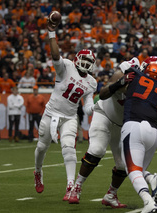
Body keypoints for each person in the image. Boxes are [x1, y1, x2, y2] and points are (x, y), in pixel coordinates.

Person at [33, 16, 97, 202]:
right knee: (41, 147)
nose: (86, 63)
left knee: (69, 148)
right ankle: (37, 171)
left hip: (69, 117)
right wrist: (52, 32)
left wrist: (96, 107)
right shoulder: (66, 67)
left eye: (89, 60)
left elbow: (87, 107)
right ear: (77, 59)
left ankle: (71, 186)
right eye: (83, 59)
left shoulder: (91, 82)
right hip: (51, 113)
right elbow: (55, 55)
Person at [69, 58, 140, 207]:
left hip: (121, 124)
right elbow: (102, 94)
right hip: (104, 115)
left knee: (123, 164)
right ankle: (76, 187)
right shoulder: (120, 75)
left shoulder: (143, 84)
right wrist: (119, 83)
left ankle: (111, 195)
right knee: (96, 150)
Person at [120, 61, 157, 212]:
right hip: (153, 132)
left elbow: (123, 73)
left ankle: (148, 202)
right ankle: (152, 179)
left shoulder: (136, 76)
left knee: (133, 170)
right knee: (140, 169)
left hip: (134, 125)